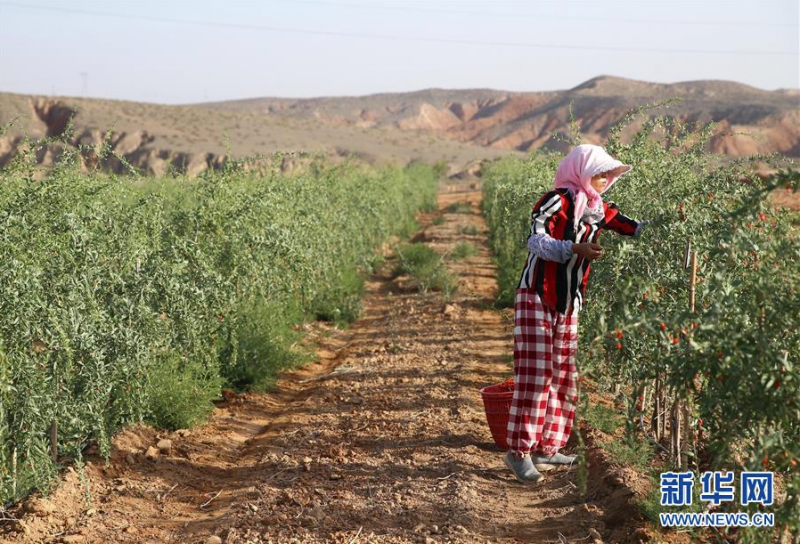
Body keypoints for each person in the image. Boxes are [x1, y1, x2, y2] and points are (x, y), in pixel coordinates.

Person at [504, 144, 648, 483]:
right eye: (600, 174)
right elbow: (535, 241)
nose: (605, 180)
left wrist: (677, 223)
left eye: (609, 175)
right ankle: (518, 450)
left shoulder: (598, 210)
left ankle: (547, 446)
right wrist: (573, 248)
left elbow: (635, 227)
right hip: (537, 296)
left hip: (570, 302)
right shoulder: (556, 201)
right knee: (536, 374)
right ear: (581, 171)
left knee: (563, 375)